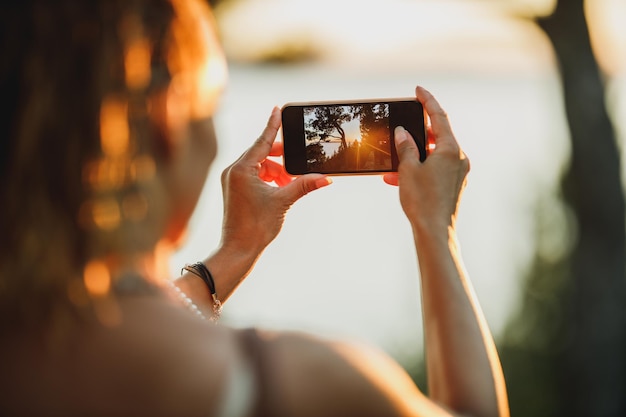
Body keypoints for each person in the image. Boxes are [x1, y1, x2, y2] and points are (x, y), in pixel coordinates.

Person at [0, 0, 510, 416]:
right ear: (166, 124)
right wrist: (434, 225)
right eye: (211, 100)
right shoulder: (294, 382)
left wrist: (236, 250)